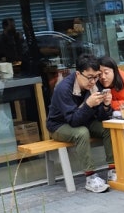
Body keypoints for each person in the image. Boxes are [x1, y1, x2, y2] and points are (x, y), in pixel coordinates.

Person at [46, 55, 113, 193]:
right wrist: (88, 105)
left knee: (108, 127)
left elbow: (101, 117)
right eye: (89, 77)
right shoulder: (63, 89)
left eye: (96, 76)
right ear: (78, 73)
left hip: (84, 121)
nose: (93, 81)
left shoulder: (95, 85)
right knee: (82, 132)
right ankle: (91, 177)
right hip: (59, 125)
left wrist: (106, 106)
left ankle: (113, 170)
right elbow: (73, 121)